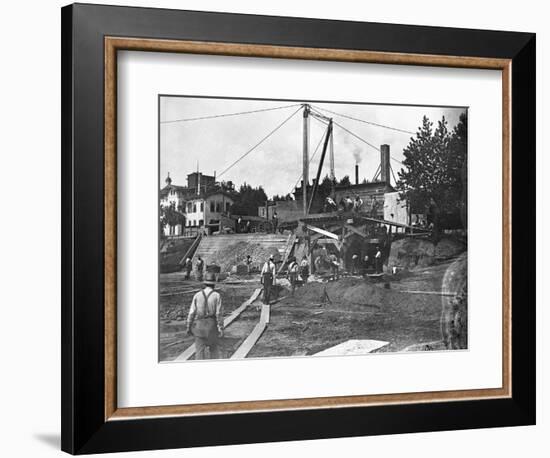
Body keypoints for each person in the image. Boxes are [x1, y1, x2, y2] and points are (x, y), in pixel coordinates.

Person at [186, 271, 224, 360]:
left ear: (205, 283)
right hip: (212, 327)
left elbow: (191, 313)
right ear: (214, 284)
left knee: (199, 352)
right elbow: (219, 314)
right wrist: (221, 328)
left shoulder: (197, 295)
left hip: (199, 327)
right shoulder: (217, 296)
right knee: (214, 352)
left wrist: (188, 327)